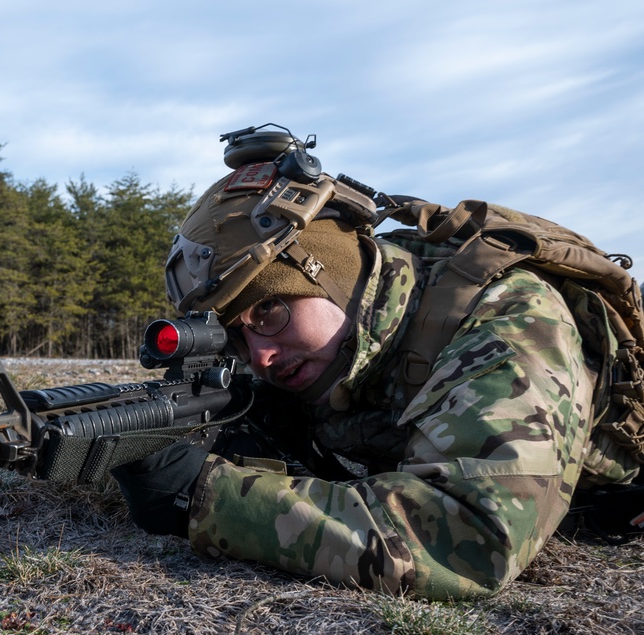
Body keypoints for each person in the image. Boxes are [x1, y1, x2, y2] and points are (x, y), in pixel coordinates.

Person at [111, 125, 643, 601]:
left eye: (269, 310)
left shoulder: (508, 320)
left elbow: (475, 539)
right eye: (235, 337)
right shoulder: (329, 338)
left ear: (335, 277)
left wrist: (208, 497)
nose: (261, 357)